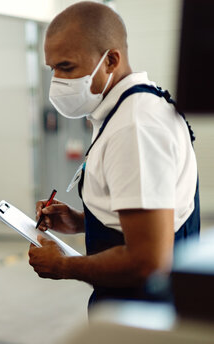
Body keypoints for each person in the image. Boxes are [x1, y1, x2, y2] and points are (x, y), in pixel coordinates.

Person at [28, 1, 200, 307]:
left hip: (144, 312)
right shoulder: (134, 107)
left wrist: (63, 266)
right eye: (52, 68)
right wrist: (82, 221)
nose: (57, 81)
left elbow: (147, 260)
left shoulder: (134, 126)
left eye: (67, 66)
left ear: (110, 60)